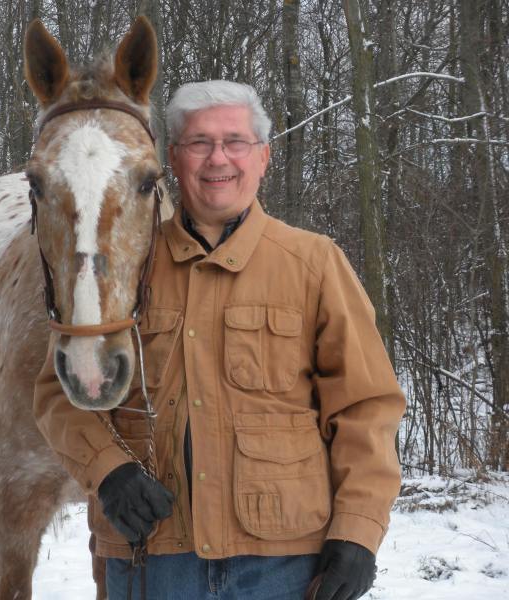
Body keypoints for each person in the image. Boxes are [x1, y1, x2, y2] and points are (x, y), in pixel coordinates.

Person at [34, 80, 405, 600]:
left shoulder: (313, 264)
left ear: (264, 157)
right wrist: (108, 470)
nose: (218, 159)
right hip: (153, 558)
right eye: (199, 143)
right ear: (173, 159)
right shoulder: (123, 262)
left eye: (236, 142)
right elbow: (57, 393)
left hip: (283, 565)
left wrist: (359, 531)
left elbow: (367, 408)